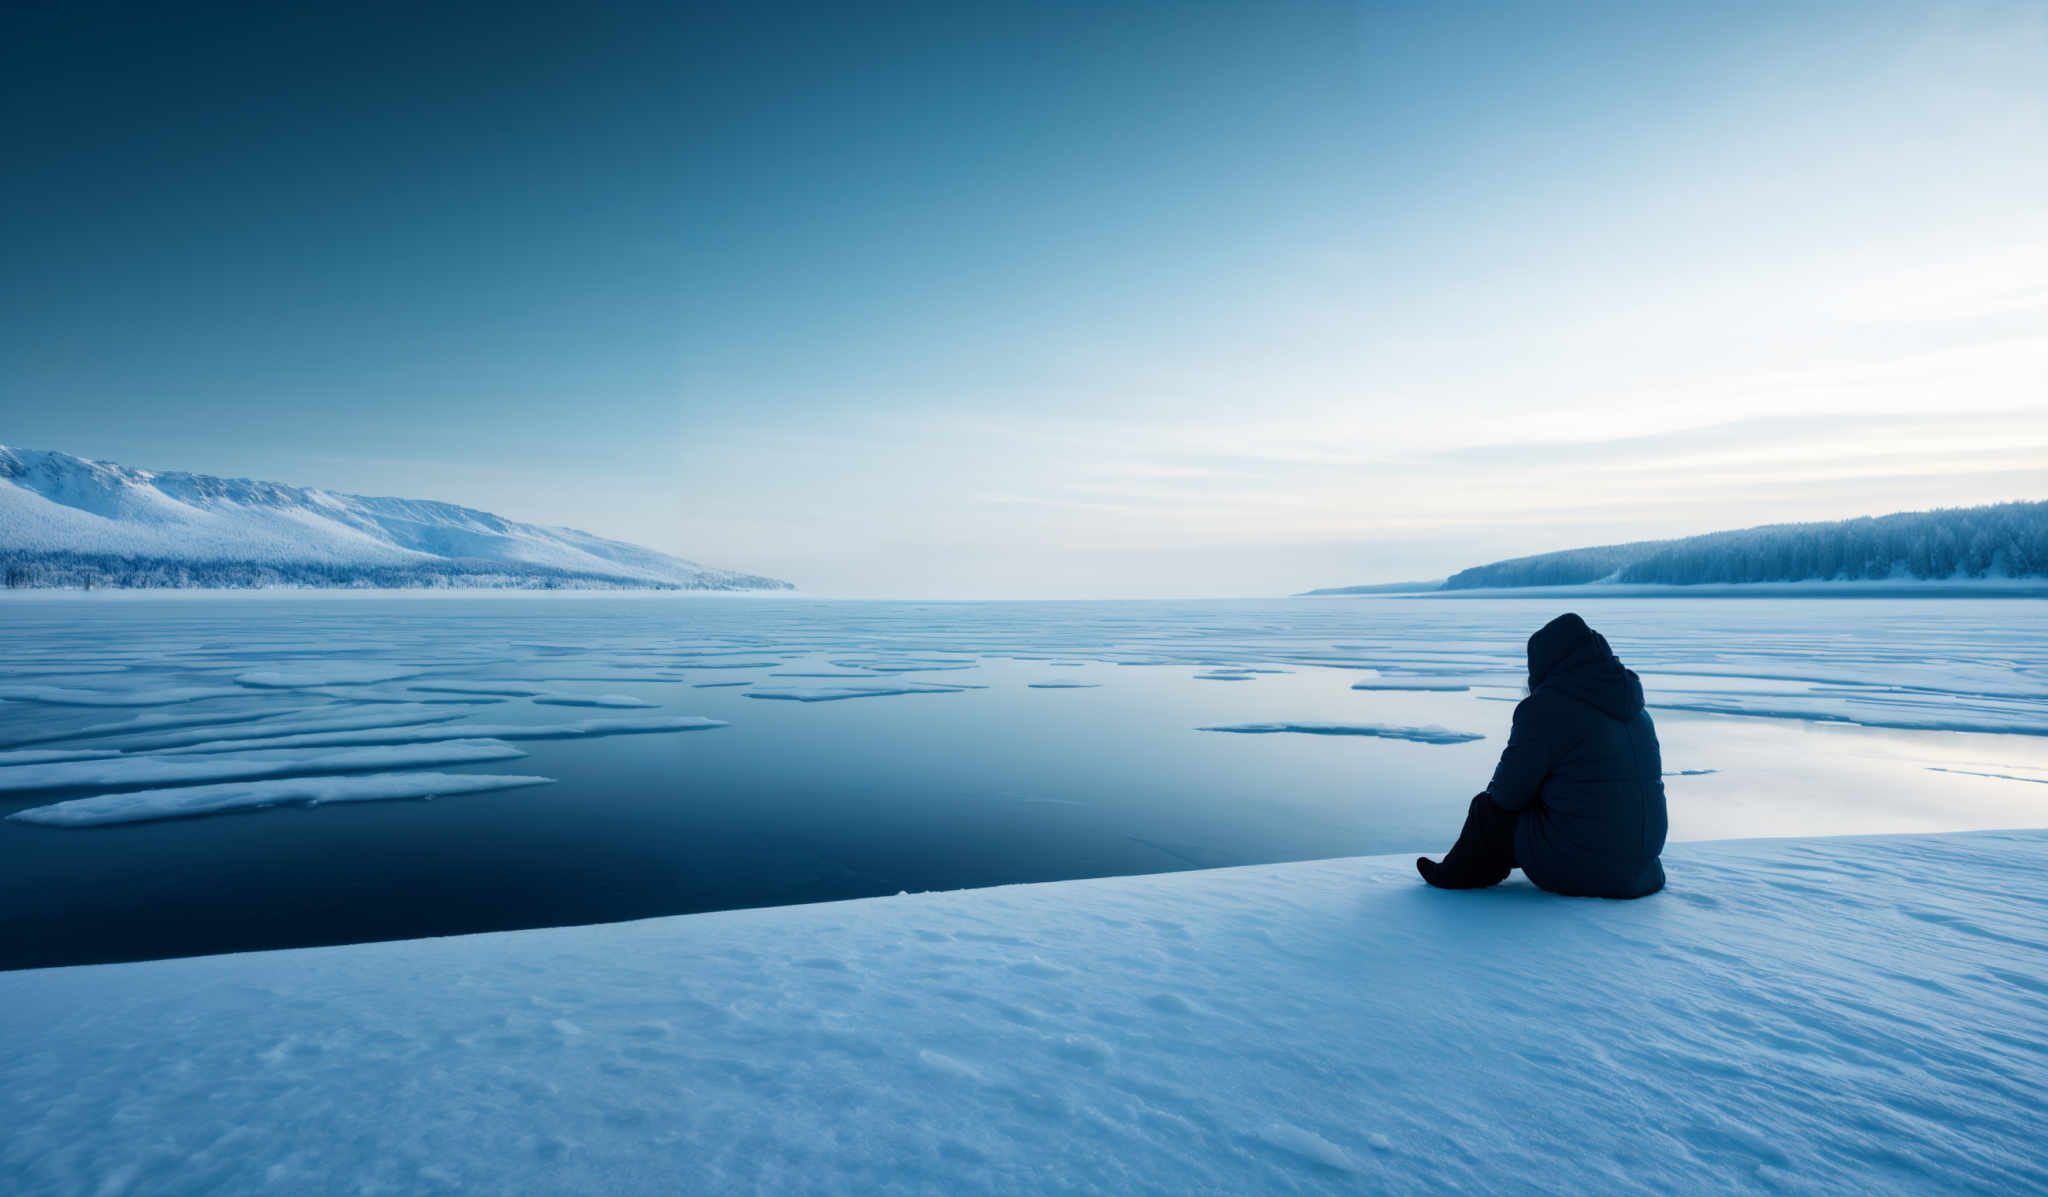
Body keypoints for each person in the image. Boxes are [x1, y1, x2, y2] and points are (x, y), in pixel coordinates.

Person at [1417, 612, 1667, 898]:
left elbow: (1506, 795)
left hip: (1589, 869)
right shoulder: (1636, 708)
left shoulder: (1547, 708)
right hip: (1643, 870)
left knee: (1486, 812)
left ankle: (1454, 878)